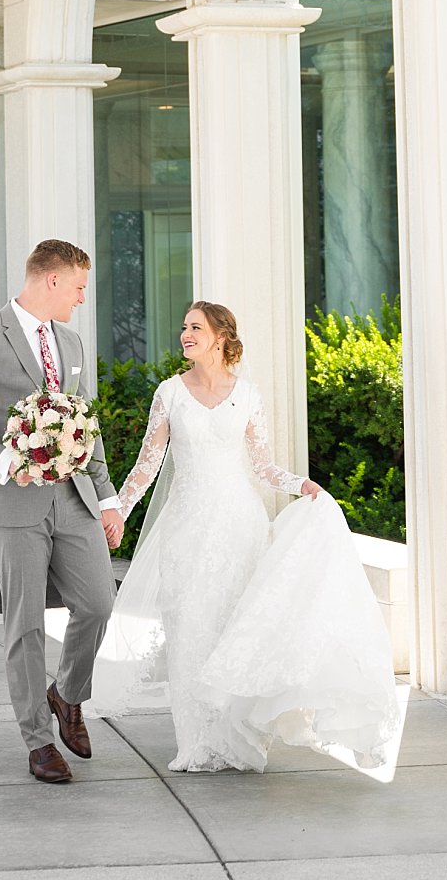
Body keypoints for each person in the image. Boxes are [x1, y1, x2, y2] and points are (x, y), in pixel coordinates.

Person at [93, 302, 402, 773]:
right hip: (186, 528)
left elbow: (261, 466)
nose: (185, 334)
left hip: (241, 527)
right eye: (183, 327)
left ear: (220, 336)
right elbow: (147, 467)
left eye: (195, 327)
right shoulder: (170, 393)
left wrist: (303, 485)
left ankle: (239, 741)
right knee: (190, 628)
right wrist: (116, 509)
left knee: (235, 631)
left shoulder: (249, 394)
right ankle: (195, 743)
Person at [0, 238, 122, 785]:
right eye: (80, 287)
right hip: (11, 502)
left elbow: (85, 424)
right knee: (26, 627)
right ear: (53, 280)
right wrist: (2, 464)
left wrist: (106, 497)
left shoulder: (71, 341)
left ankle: (66, 695)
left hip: (74, 499)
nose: (83, 299)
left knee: (98, 605)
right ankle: (38, 740)